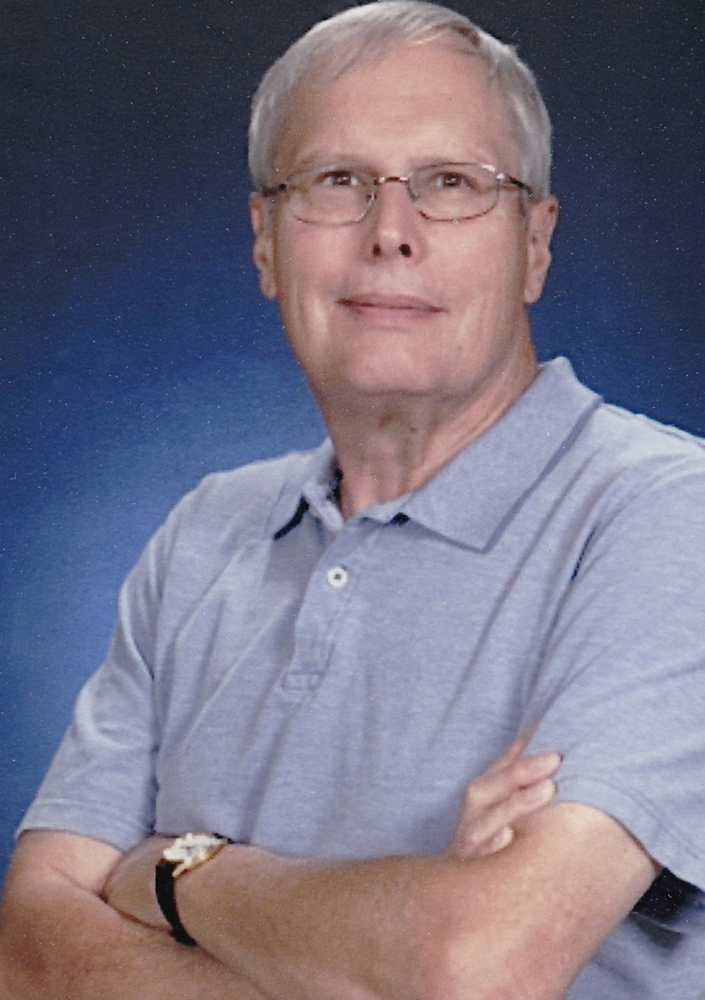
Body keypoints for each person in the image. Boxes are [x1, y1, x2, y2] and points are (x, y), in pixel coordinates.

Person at [1, 1, 704, 997]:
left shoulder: (668, 521)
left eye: (451, 183)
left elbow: (477, 964)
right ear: (263, 239)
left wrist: (171, 871)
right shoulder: (204, 532)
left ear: (535, 243)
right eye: (337, 181)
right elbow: (27, 951)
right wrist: (390, 935)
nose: (391, 233)